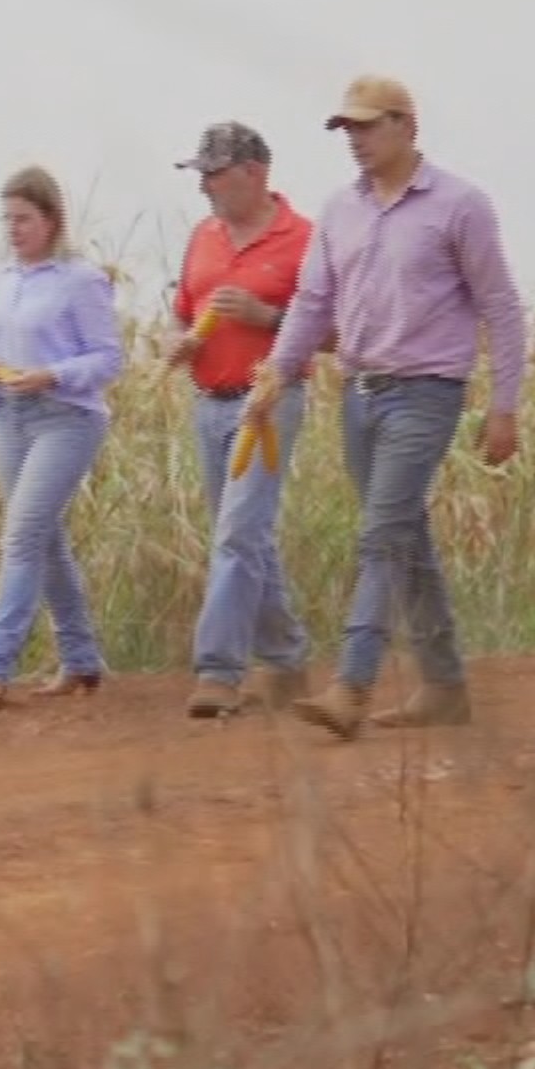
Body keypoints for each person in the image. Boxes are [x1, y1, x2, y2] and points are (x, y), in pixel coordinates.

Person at [242, 74, 526, 738]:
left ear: (408, 126)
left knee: (380, 535)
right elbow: (313, 303)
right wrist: (278, 372)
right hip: (360, 392)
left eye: (368, 127)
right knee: (405, 538)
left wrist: (505, 405)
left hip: (427, 392)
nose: (356, 140)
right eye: (348, 129)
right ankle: (445, 684)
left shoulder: (460, 206)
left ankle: (352, 685)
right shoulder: (340, 210)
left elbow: (502, 308)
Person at [162, 121, 316, 718]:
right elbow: (180, 312)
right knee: (246, 537)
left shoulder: (305, 241)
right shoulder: (203, 237)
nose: (204, 187)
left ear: (255, 174)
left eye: (214, 174)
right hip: (210, 401)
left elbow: (332, 332)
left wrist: (262, 314)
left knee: (235, 535)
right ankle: (285, 660)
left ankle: (219, 672)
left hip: (270, 402)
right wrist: (179, 342)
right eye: (200, 174)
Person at [0, 165, 125, 708]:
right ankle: (81, 660)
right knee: (45, 538)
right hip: (8, 413)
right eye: (7, 219)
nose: (13, 229)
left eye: (23, 218)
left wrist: (51, 375)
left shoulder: (81, 281)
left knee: (22, 535)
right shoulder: (3, 279)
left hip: (65, 417)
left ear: (51, 219)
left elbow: (108, 358)